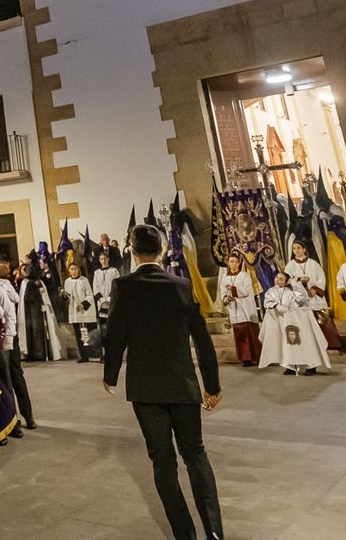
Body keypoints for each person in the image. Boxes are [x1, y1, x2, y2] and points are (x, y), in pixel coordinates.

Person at [103, 224, 224, 540]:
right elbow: (201, 337)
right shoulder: (181, 285)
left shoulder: (124, 286)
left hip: (146, 388)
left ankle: (185, 535)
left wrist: (110, 374)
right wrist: (211, 385)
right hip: (183, 384)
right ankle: (214, 532)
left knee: (163, 463)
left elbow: (115, 333)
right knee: (196, 455)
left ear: (132, 250)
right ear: (162, 251)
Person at [0, 259, 37, 430]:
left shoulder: (0, 285)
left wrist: (9, 336)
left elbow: (10, 309)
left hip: (7, 335)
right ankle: (13, 419)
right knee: (6, 377)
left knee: (15, 375)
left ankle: (27, 415)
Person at [257, 272, 328, 376]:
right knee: (285, 344)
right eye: (277, 277)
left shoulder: (291, 290)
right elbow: (267, 301)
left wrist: (295, 284)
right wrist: (276, 306)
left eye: (281, 279)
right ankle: (289, 365)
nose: (277, 280)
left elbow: (301, 299)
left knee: (303, 342)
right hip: (280, 321)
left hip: (297, 320)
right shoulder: (271, 291)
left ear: (286, 282)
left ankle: (311, 365)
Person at [285, 241, 340, 352]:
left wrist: (315, 290)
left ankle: (331, 344)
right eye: (294, 248)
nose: (296, 250)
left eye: (299, 248)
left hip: (315, 297)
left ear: (304, 249)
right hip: (301, 298)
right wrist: (300, 280)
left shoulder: (313, 263)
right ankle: (310, 345)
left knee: (322, 320)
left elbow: (321, 278)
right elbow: (287, 280)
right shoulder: (290, 265)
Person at [218, 252, 261, 368]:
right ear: (228, 263)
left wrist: (232, 289)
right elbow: (222, 291)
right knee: (240, 335)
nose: (234, 264)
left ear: (239, 263)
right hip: (234, 309)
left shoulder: (244, 276)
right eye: (231, 262)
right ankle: (245, 359)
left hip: (246, 309)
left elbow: (246, 290)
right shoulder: (225, 277)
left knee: (251, 334)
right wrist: (226, 298)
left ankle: (257, 357)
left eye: (236, 262)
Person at [16, 260, 63, 362]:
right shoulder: (24, 282)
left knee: (37, 331)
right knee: (29, 331)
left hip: (36, 310)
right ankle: (30, 352)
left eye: (26, 270)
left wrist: (40, 303)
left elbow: (41, 296)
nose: (24, 273)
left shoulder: (37, 282)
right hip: (27, 311)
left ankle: (39, 353)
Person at [62, 259, 99, 362]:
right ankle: (83, 355)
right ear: (69, 271)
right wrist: (64, 296)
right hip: (75, 312)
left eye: (75, 269)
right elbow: (67, 297)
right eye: (71, 269)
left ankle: (97, 354)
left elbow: (90, 295)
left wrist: (83, 305)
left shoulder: (84, 280)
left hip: (85, 311)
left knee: (89, 333)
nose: (73, 271)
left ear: (78, 270)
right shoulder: (67, 282)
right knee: (80, 334)